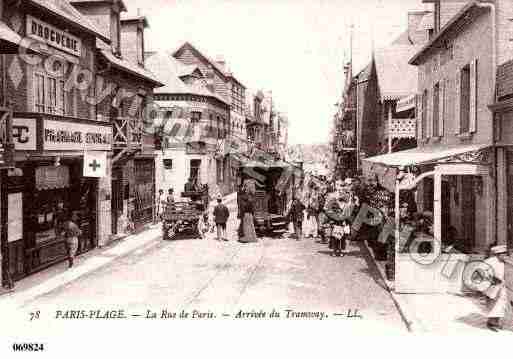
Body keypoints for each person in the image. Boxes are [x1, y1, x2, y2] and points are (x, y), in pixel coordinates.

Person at [483, 245, 510, 331]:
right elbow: (481, 272)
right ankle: (490, 323)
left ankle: (496, 322)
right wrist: (492, 278)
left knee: (501, 304)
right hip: (492, 286)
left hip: (502, 287)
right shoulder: (489, 261)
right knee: (492, 304)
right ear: (497, 254)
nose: (505, 256)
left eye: (505, 254)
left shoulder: (504, 262)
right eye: (503, 254)